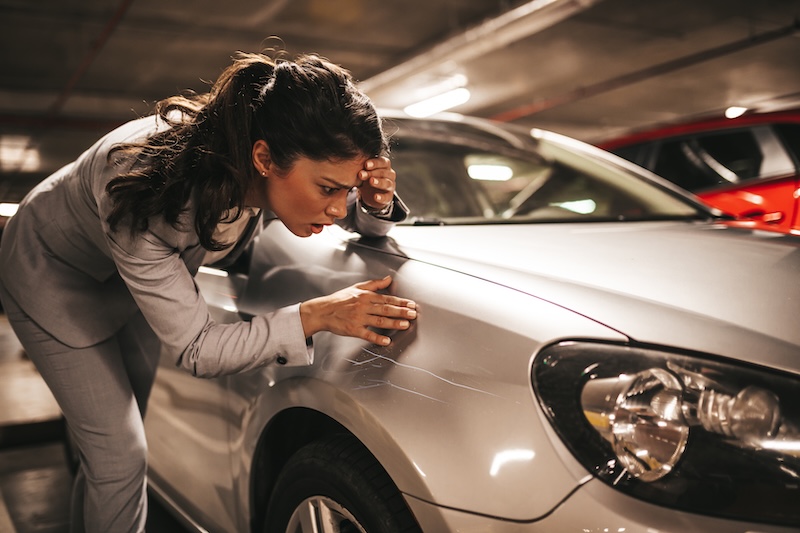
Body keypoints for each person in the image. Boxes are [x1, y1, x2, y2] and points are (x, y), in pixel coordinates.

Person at [0, 51, 417, 532]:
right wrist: (314, 316)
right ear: (263, 158)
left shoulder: (271, 159)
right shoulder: (144, 184)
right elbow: (197, 349)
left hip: (132, 282)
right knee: (120, 457)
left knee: (108, 460)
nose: (335, 208)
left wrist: (374, 202)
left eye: (346, 191)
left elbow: (349, 210)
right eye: (329, 189)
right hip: (53, 273)